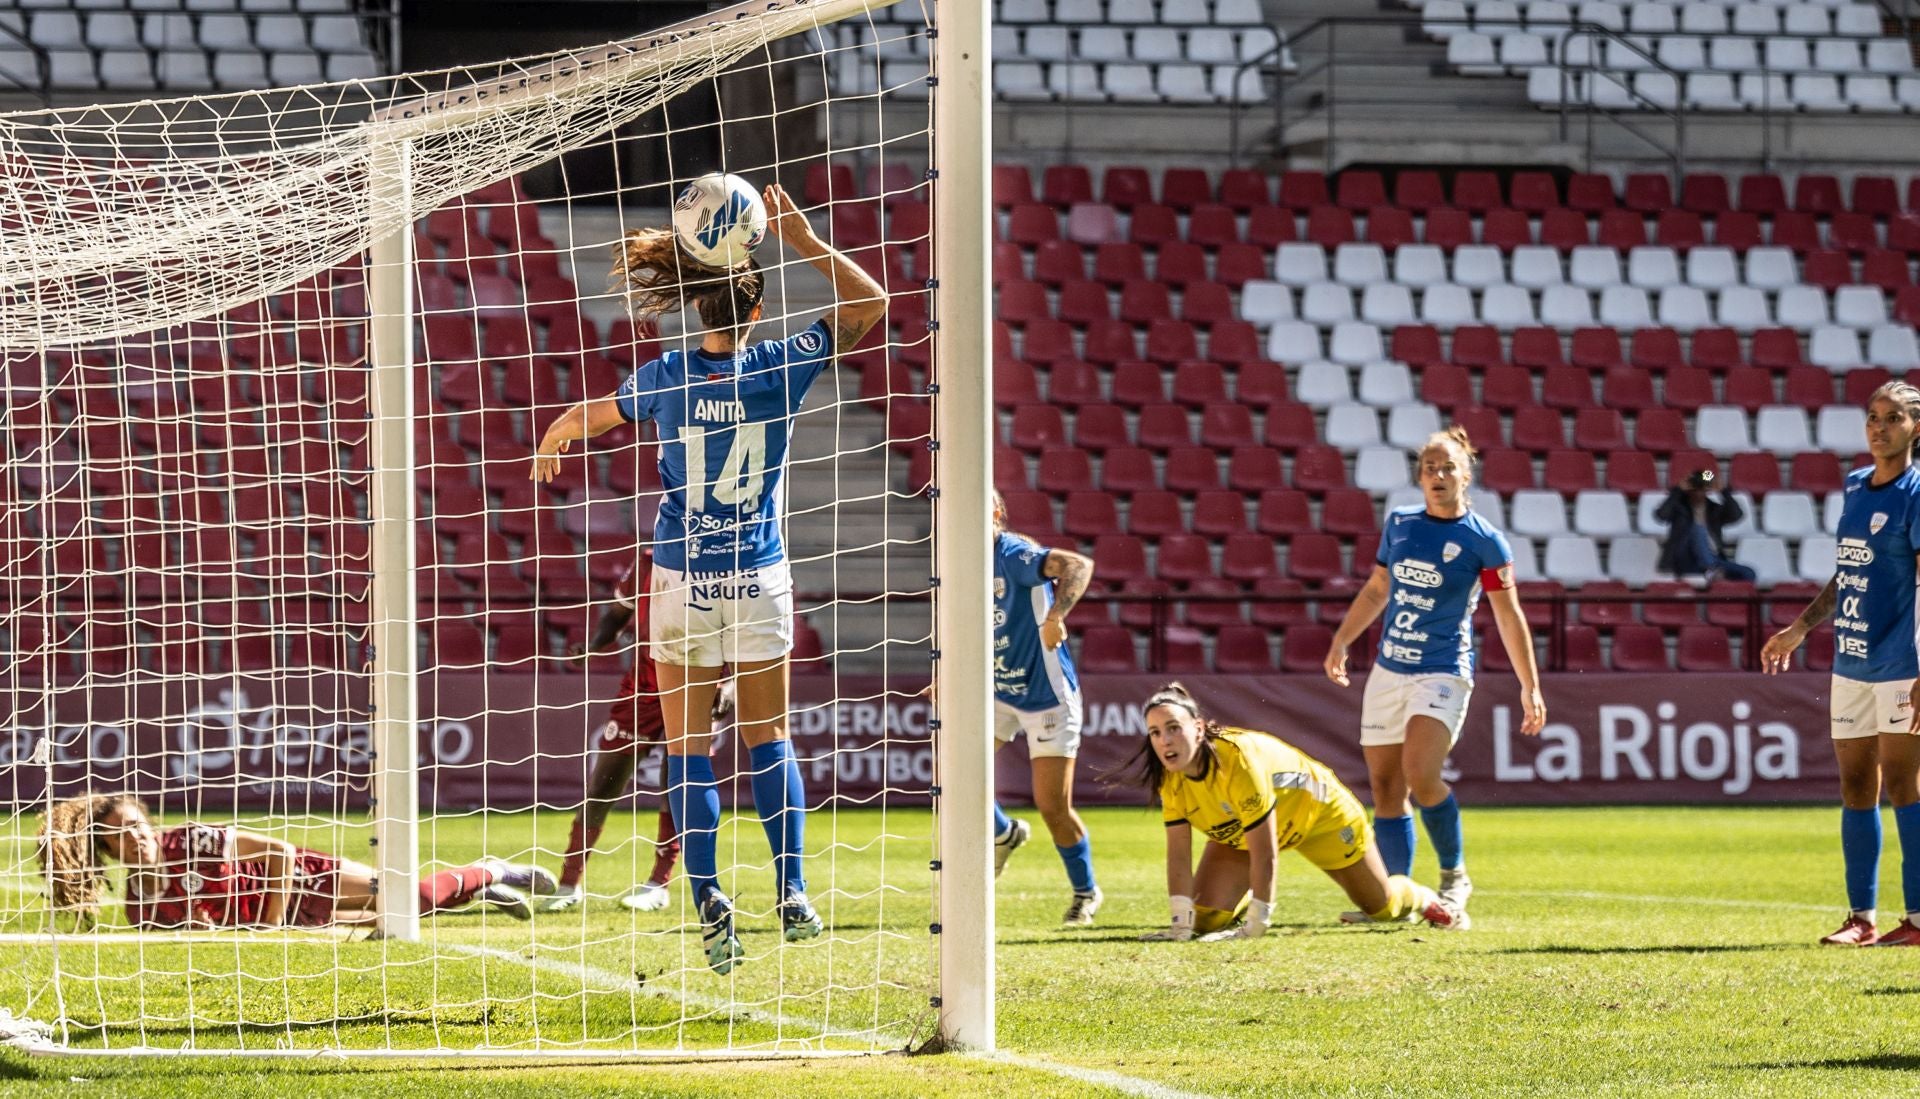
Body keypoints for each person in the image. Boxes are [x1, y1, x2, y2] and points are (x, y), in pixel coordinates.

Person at [531, 182, 886, 974]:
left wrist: (560, 425)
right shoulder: (781, 365)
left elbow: (595, 415)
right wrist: (800, 238)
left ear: (696, 310)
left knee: (688, 749)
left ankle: (708, 900)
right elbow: (874, 302)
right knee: (769, 738)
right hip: (758, 576)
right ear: (755, 313)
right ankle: (792, 889)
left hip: (682, 582)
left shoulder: (663, 375)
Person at [1324, 426, 1545, 924]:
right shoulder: (1400, 524)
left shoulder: (1484, 541)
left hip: (1443, 670)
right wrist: (1342, 640)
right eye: (1429, 468)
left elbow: (1509, 616)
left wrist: (1529, 685)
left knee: (1422, 776)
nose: (1438, 476)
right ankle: (1391, 900)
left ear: (1465, 475)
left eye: (1448, 468)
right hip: (1388, 669)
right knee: (1384, 787)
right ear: (1419, 477)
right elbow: (1379, 588)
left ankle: (1453, 879)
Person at [1762, 380, 1920, 947]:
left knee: (1905, 784)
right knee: (1856, 785)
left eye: (1894, 418)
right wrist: (1801, 627)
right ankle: (1861, 918)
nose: (1880, 427)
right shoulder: (1856, 487)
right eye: (1873, 417)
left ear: (1915, 428)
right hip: (1850, 660)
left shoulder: (1916, 492)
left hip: (1904, 660)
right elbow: (1849, 573)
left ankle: (1919, 920)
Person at [1128, 684, 1465, 940]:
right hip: (1245, 834)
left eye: (1174, 728)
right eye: (1155, 732)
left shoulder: (1238, 760)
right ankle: (1239, 899)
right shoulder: (1170, 779)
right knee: (1203, 919)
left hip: (1322, 818)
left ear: (1199, 728)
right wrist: (1179, 923)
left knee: (1383, 908)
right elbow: (1177, 857)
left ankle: (1420, 896)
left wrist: (1257, 923)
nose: (1165, 741)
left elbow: (1266, 851)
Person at [39, 794, 552, 931]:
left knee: (408, 898)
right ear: (106, 853)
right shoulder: (140, 909)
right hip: (284, 919)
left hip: (299, 879)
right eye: (120, 837)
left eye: (138, 825)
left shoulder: (189, 841)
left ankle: (492, 869)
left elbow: (281, 853)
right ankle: (475, 893)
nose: (137, 838)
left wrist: (270, 923)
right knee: (396, 920)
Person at [537, 551, 703, 914]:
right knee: (603, 784)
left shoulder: (719, 558)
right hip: (642, 689)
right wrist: (595, 645)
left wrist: (730, 686)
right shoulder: (649, 559)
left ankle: (659, 883)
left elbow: (738, 630)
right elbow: (617, 615)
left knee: (675, 784)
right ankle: (568, 883)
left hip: (698, 684)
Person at [990, 490, 1101, 925]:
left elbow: (1078, 565)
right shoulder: (955, 560)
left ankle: (1085, 892)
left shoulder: (1014, 553)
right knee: (952, 774)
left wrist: (1055, 616)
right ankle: (1003, 833)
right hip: (996, 691)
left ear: (997, 512)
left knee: (1052, 807)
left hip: (1047, 694)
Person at [1656, 468, 1755, 581]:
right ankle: (1711, 569)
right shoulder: (1679, 508)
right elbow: (1661, 515)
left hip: (1714, 557)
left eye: (1702, 488)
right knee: (1698, 529)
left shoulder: (1714, 509)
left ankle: (1711, 570)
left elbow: (1736, 515)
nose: (1698, 492)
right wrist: (1678, 491)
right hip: (1686, 559)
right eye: (1695, 487)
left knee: (1748, 573)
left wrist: (1724, 492)